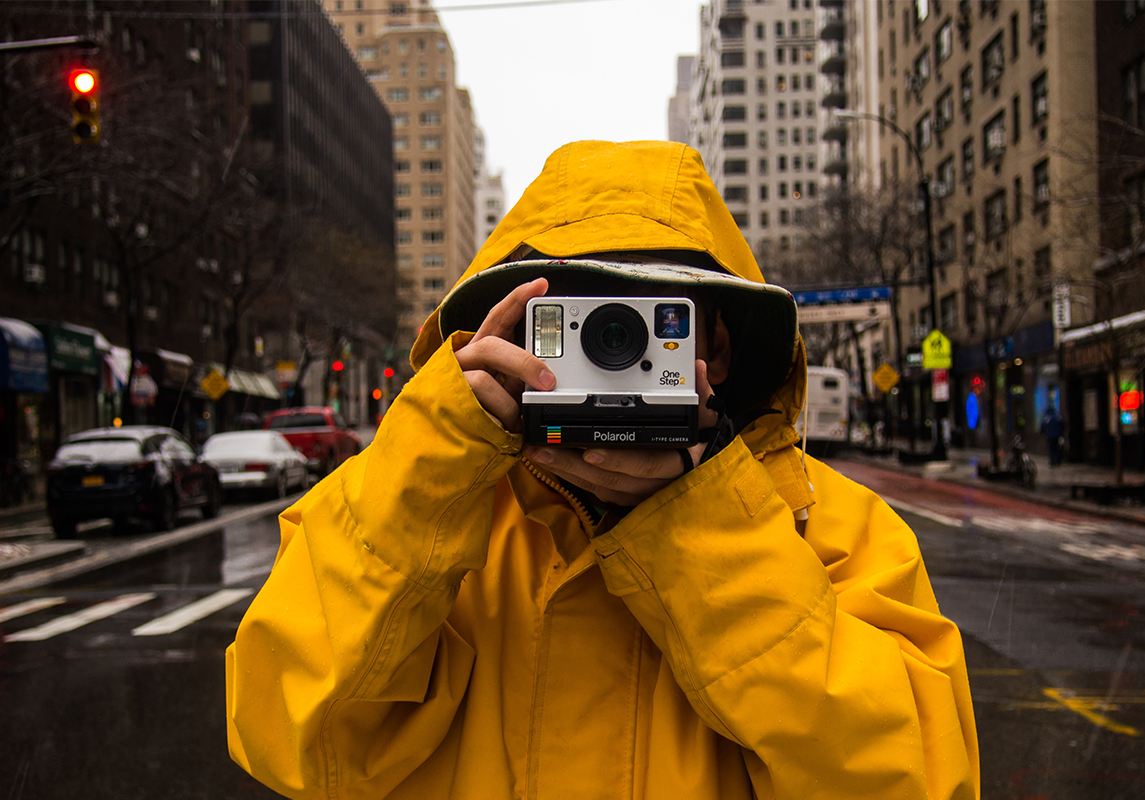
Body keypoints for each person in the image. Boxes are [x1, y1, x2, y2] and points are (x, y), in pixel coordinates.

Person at [226, 140, 980, 800]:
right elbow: (288, 735)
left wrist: (706, 523)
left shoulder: (835, 530)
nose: (617, 353)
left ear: (719, 348)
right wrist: (437, 451)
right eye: (579, 327)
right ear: (515, 328)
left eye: (660, 327)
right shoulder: (424, 508)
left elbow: (913, 779)